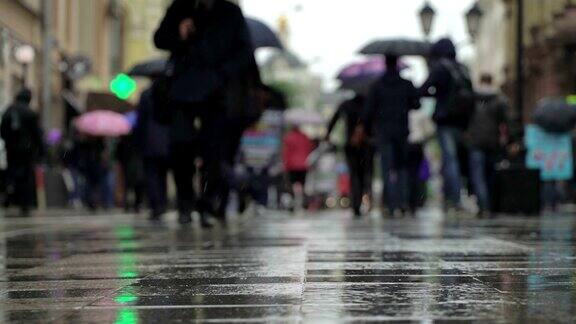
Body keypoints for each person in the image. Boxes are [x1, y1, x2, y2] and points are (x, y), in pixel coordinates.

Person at [154, 0, 255, 226]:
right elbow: (159, 39)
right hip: (183, 90)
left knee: (214, 153)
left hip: (217, 94)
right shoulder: (180, 8)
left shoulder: (230, 12)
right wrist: (178, 32)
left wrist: (223, 73)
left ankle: (208, 203)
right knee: (180, 146)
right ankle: (185, 202)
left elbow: (244, 52)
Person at [355, 55, 420, 216]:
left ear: (385, 64)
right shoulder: (406, 84)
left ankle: (390, 205)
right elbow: (416, 104)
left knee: (386, 168)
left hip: (383, 132)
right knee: (402, 168)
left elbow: (368, 111)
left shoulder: (377, 85)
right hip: (402, 131)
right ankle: (403, 202)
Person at [420, 38, 475, 212]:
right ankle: (455, 196)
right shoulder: (463, 68)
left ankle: (455, 199)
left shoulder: (440, 68)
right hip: (463, 122)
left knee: (450, 160)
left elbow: (423, 89)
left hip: (446, 120)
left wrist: (435, 94)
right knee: (456, 160)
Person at [466, 74, 509, 216]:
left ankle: (483, 205)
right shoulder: (499, 99)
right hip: (492, 142)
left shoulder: (471, 98)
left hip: (475, 141)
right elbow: (507, 121)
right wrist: (512, 139)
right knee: (490, 174)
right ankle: (489, 204)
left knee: (477, 175)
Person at [325, 94, 374, 217]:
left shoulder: (347, 104)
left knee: (354, 174)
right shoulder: (370, 103)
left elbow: (334, 119)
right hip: (367, 145)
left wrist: (328, 134)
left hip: (351, 145)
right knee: (365, 175)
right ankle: (363, 200)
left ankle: (356, 203)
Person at [0, 89, 43, 216]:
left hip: (11, 150)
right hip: (27, 151)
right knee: (26, 177)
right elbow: (37, 134)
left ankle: (9, 198)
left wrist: (9, 142)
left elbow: (2, 130)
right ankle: (24, 204)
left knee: (12, 174)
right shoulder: (30, 113)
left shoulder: (9, 110)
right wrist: (40, 150)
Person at [133, 81, 171, 222]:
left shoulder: (146, 95)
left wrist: (138, 142)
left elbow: (140, 121)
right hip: (167, 141)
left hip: (150, 141)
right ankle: (161, 203)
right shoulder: (170, 92)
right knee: (162, 174)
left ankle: (156, 205)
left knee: (152, 175)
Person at [282, 125, 314, 212]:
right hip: (303, 165)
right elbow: (310, 148)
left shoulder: (288, 137)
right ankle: (305, 203)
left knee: (290, 185)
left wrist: (285, 165)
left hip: (291, 166)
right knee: (303, 185)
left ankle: (291, 203)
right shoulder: (305, 137)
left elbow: (286, 152)